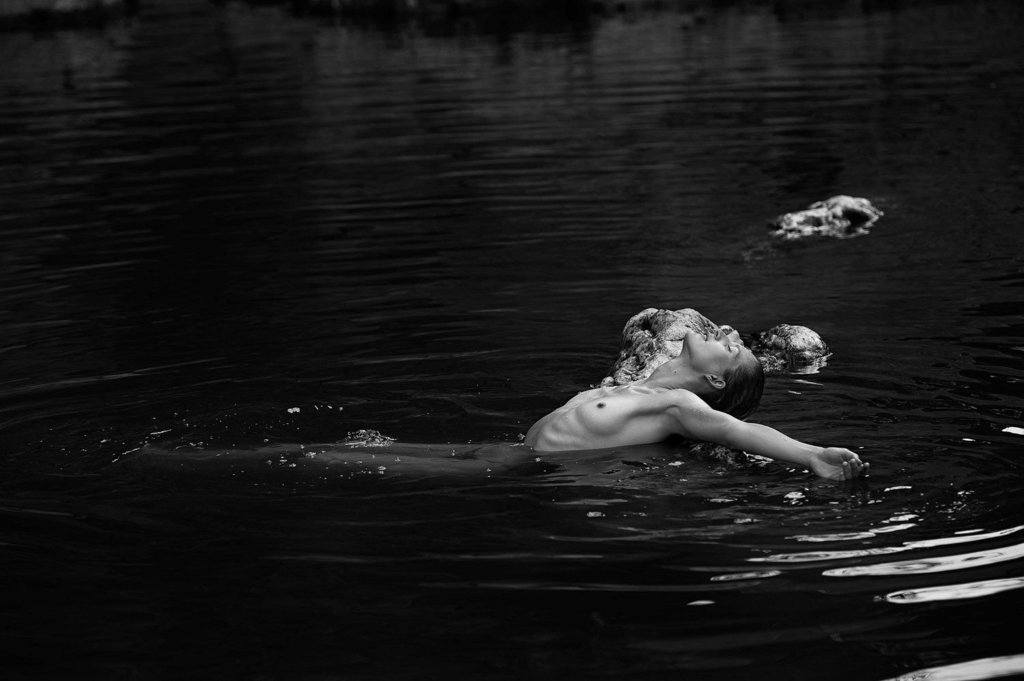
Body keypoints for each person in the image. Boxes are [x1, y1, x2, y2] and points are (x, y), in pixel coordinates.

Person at [525, 327, 868, 480]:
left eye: (730, 348)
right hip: (515, 456)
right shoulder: (633, 387)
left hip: (545, 477)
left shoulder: (676, 404)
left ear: (715, 380)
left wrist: (812, 455)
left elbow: (736, 430)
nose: (726, 332)